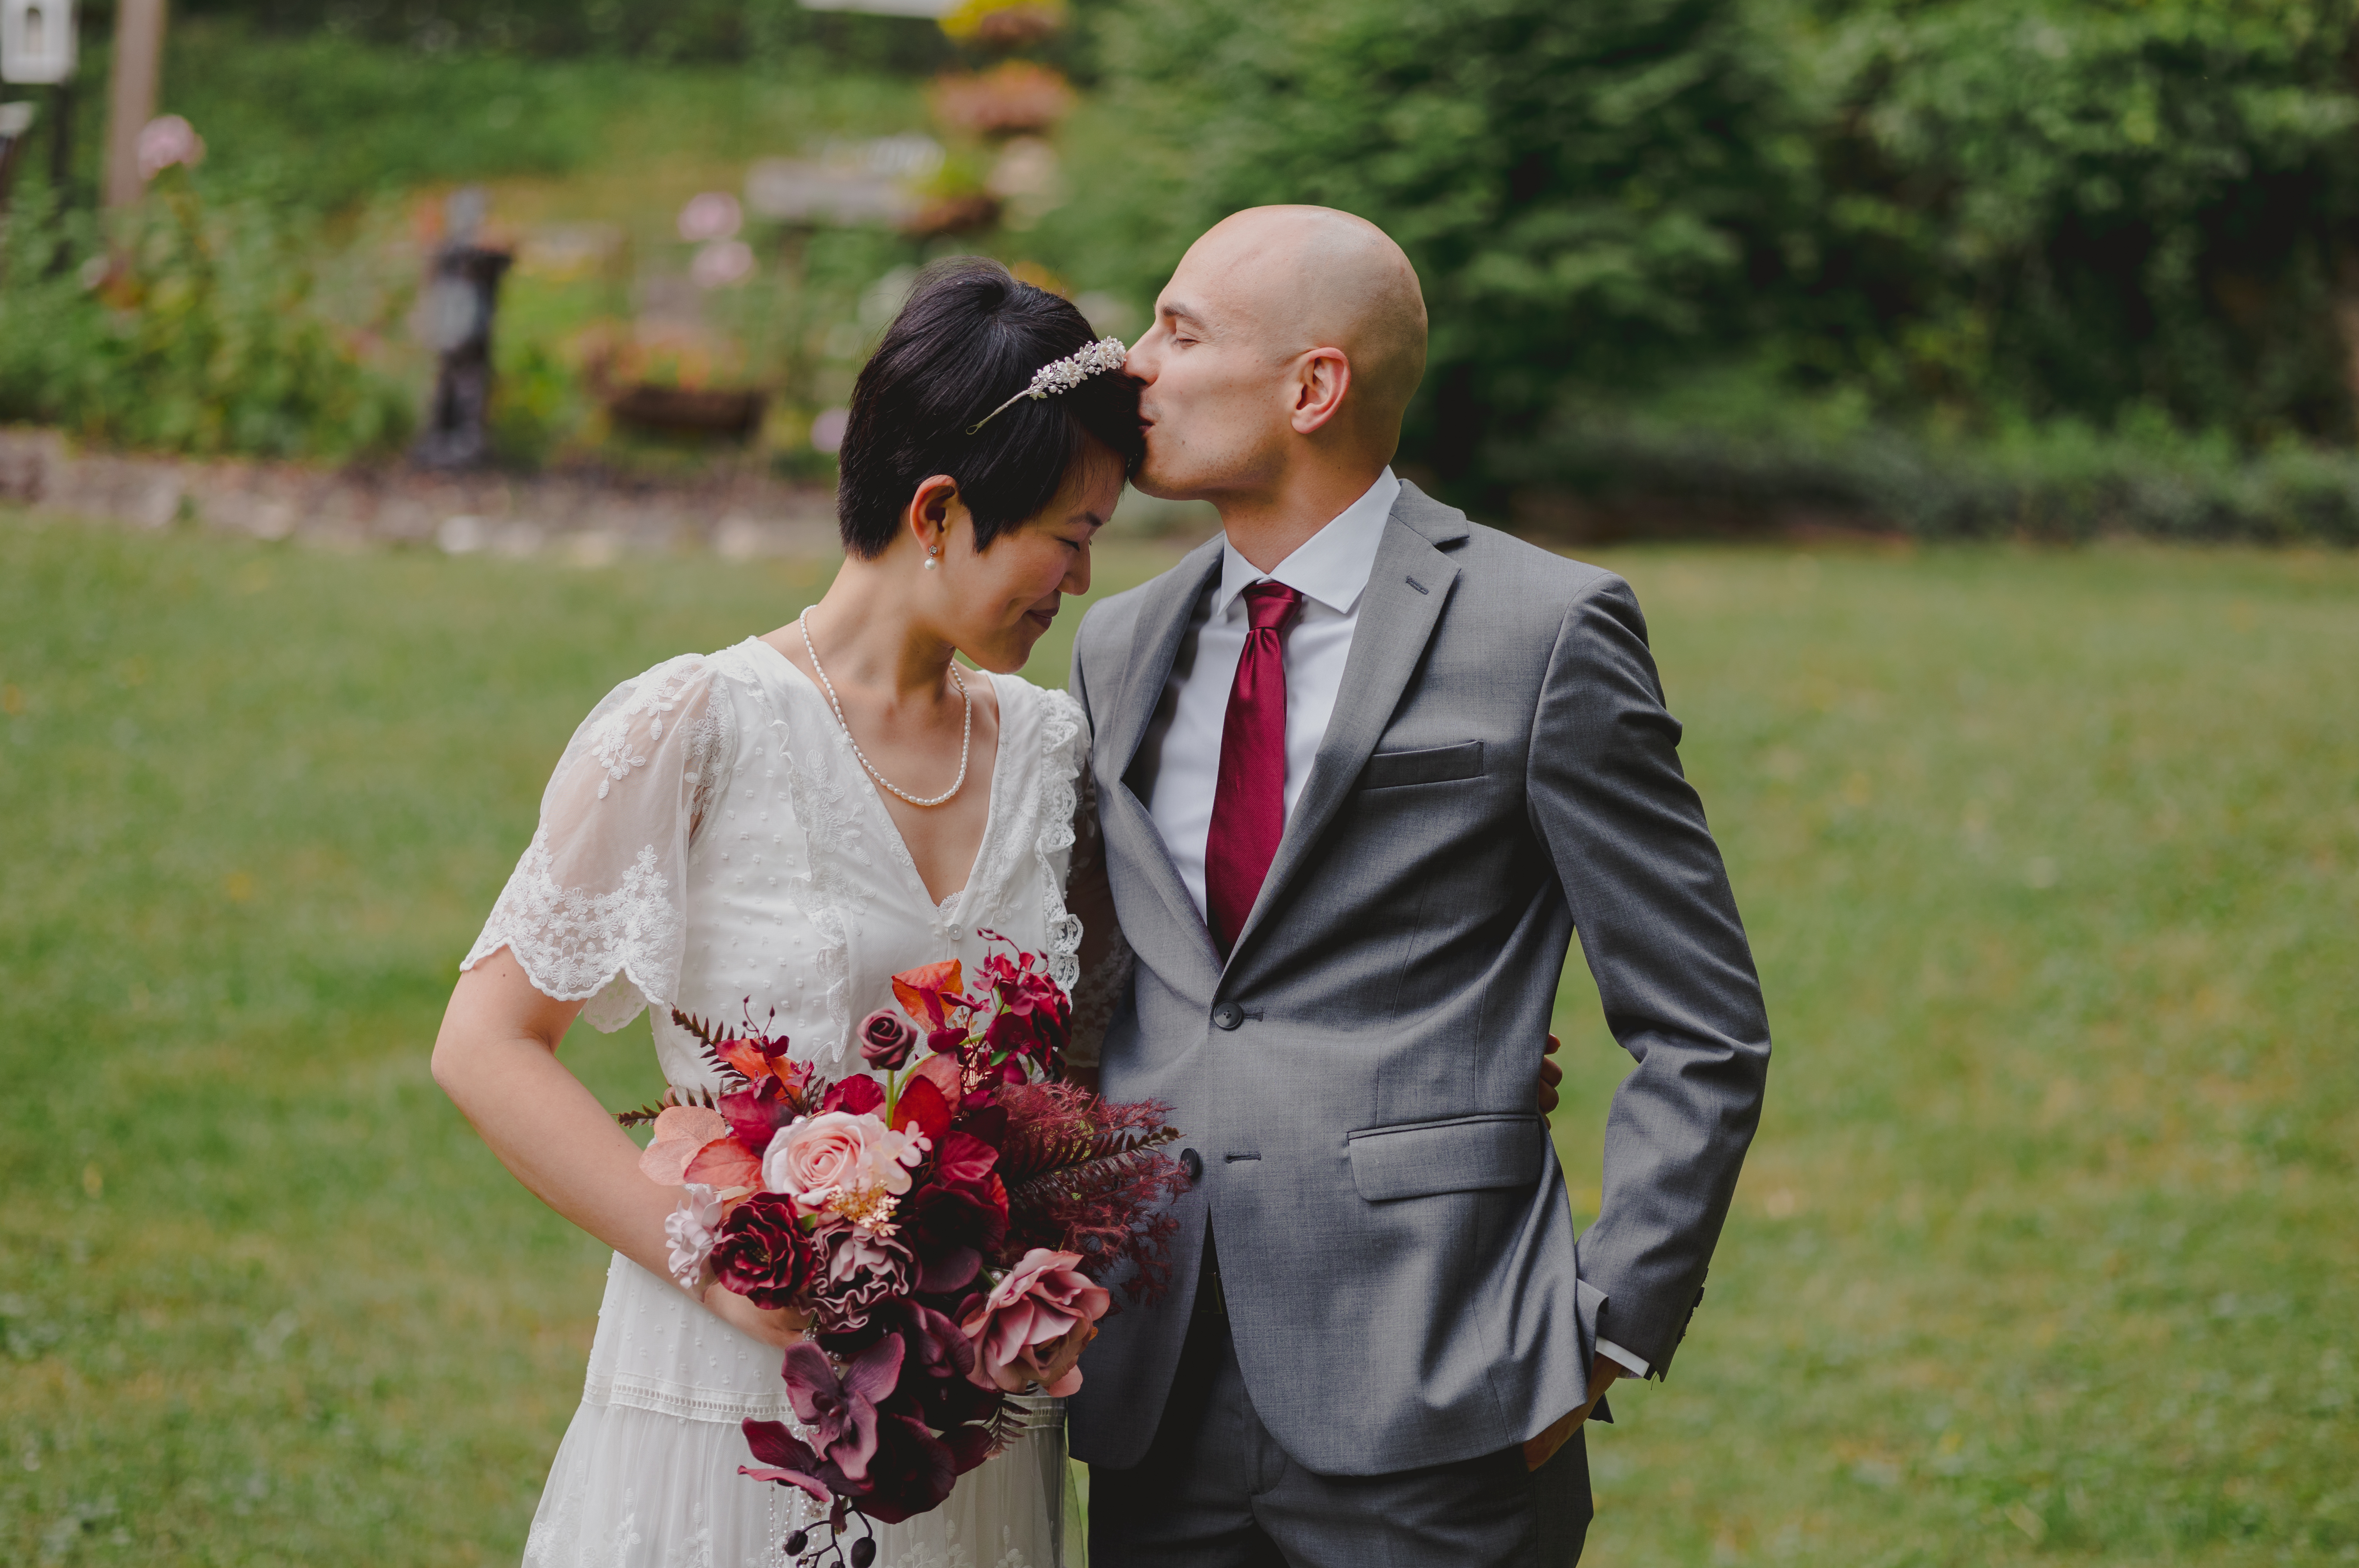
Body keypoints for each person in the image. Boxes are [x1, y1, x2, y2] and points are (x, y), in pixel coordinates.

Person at [1067, 205, 1773, 1566]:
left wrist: (1607, 1328)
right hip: (1154, 1380)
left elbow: (1702, 1022)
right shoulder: (1120, 642)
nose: (1132, 363)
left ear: (1314, 386)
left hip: (1440, 1384)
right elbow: (1114, 995)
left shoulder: (1544, 629)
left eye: (1179, 329)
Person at [431, 260, 1138, 1568]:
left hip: (967, 1434)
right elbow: (483, 1044)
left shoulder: (1054, 757)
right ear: (939, 510)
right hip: (724, 1407)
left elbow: (1076, 1085)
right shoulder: (693, 725)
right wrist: (712, 1258)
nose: (1082, 582)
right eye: (1069, 535)